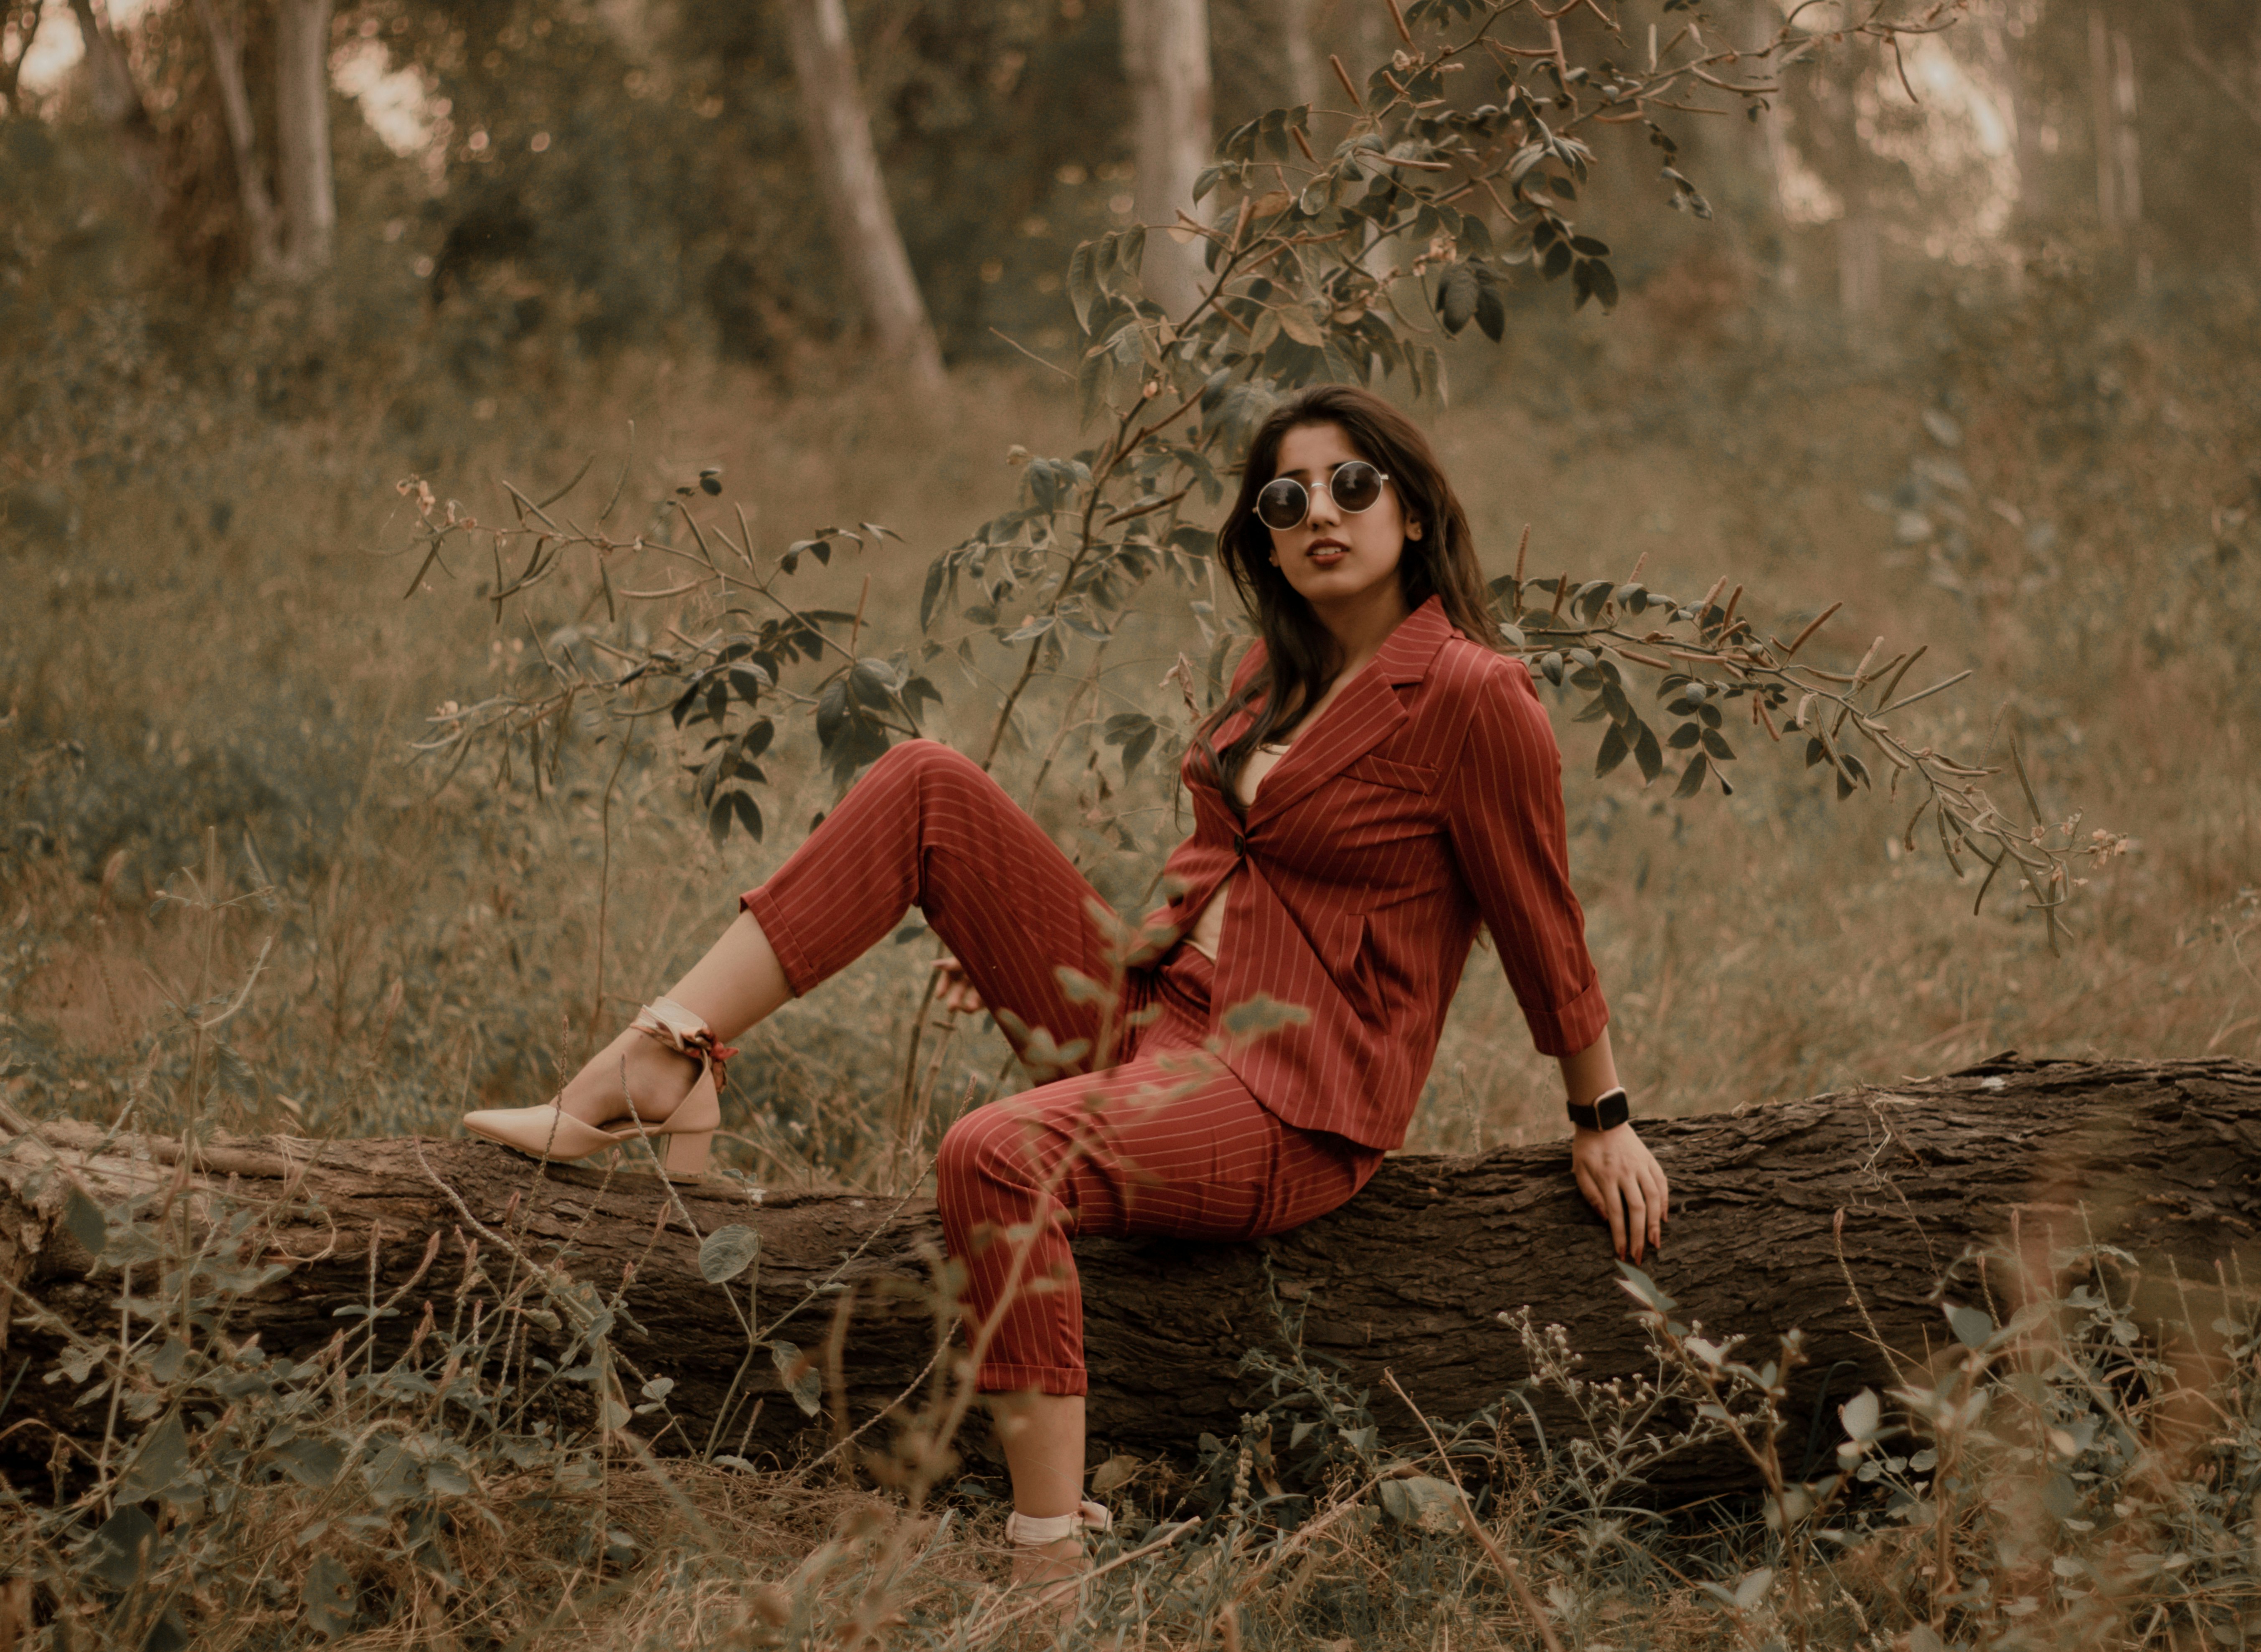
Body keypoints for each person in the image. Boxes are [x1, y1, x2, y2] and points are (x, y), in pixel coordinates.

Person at [459, 383, 1673, 1587]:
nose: (1320, 513)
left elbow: (1542, 923)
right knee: (926, 776)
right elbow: (1222, 874)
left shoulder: (1471, 694)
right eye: (1284, 496)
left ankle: (1047, 1559)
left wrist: (1601, 1118)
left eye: (1353, 485)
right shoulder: (1270, 673)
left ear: (1413, 512)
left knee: (992, 1153)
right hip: (1154, 1016)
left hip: (1284, 1097)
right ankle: (667, 1051)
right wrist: (1049, 946)